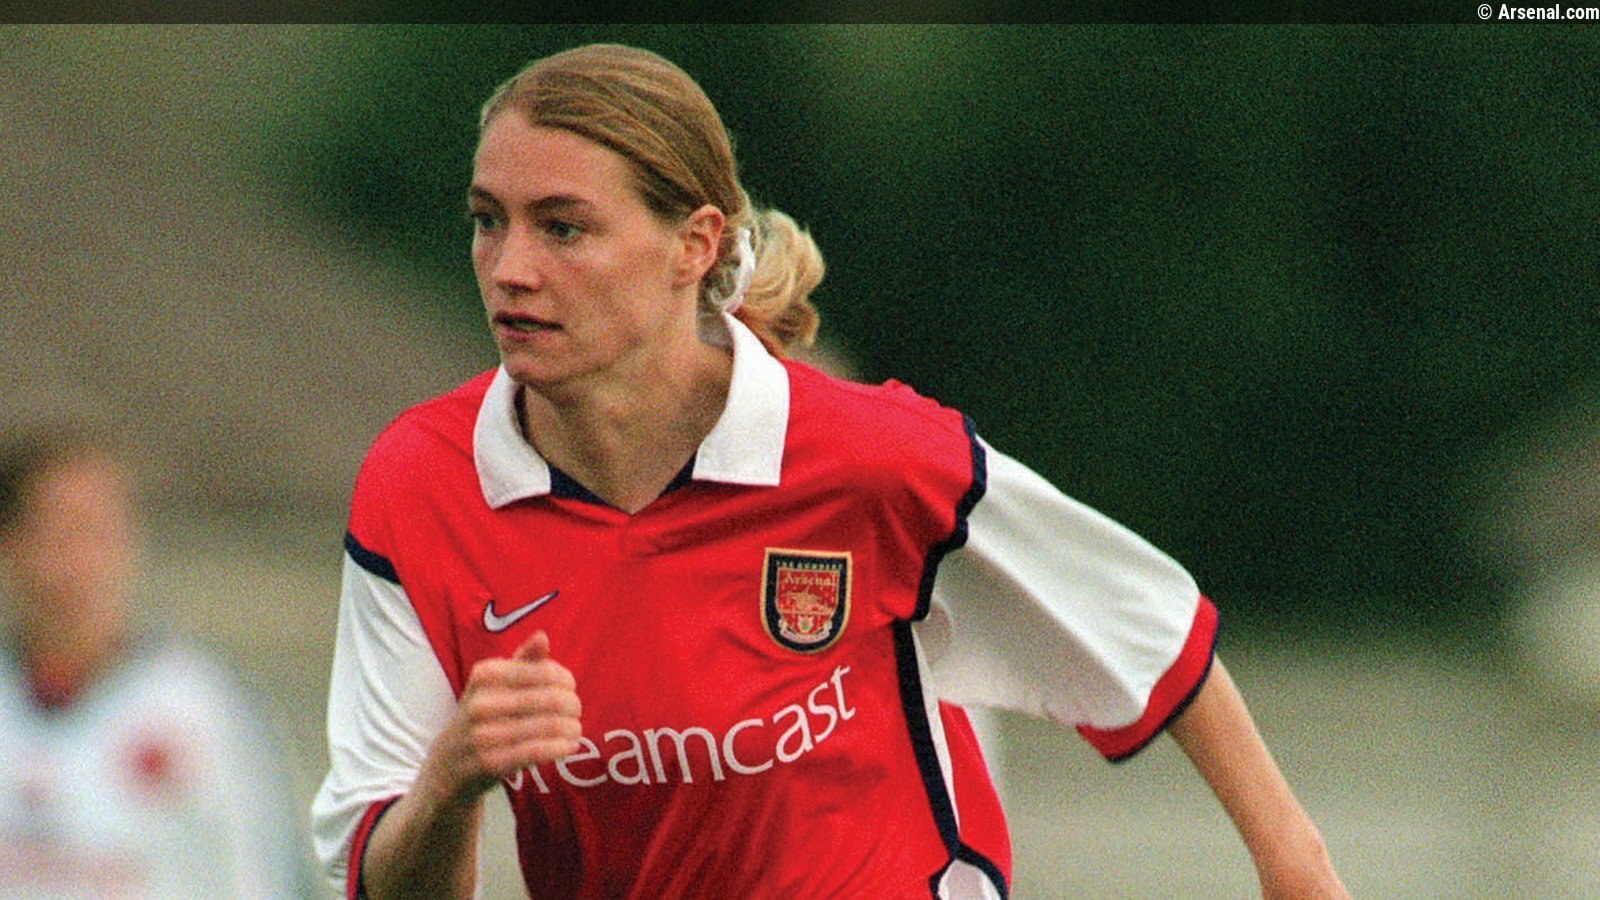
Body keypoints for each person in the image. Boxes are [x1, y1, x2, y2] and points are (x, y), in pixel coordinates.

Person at [313, 43, 1347, 899]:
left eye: (563, 227)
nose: (509, 267)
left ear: (693, 245)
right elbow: (380, 880)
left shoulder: (873, 458)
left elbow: (1148, 630)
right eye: (487, 219)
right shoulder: (420, 486)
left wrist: (1293, 864)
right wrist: (450, 783)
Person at [0, 420, 314, 899]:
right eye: (60, 531)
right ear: (11, 545)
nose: (81, 560)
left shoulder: (206, 706)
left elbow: (269, 879)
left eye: (98, 531)